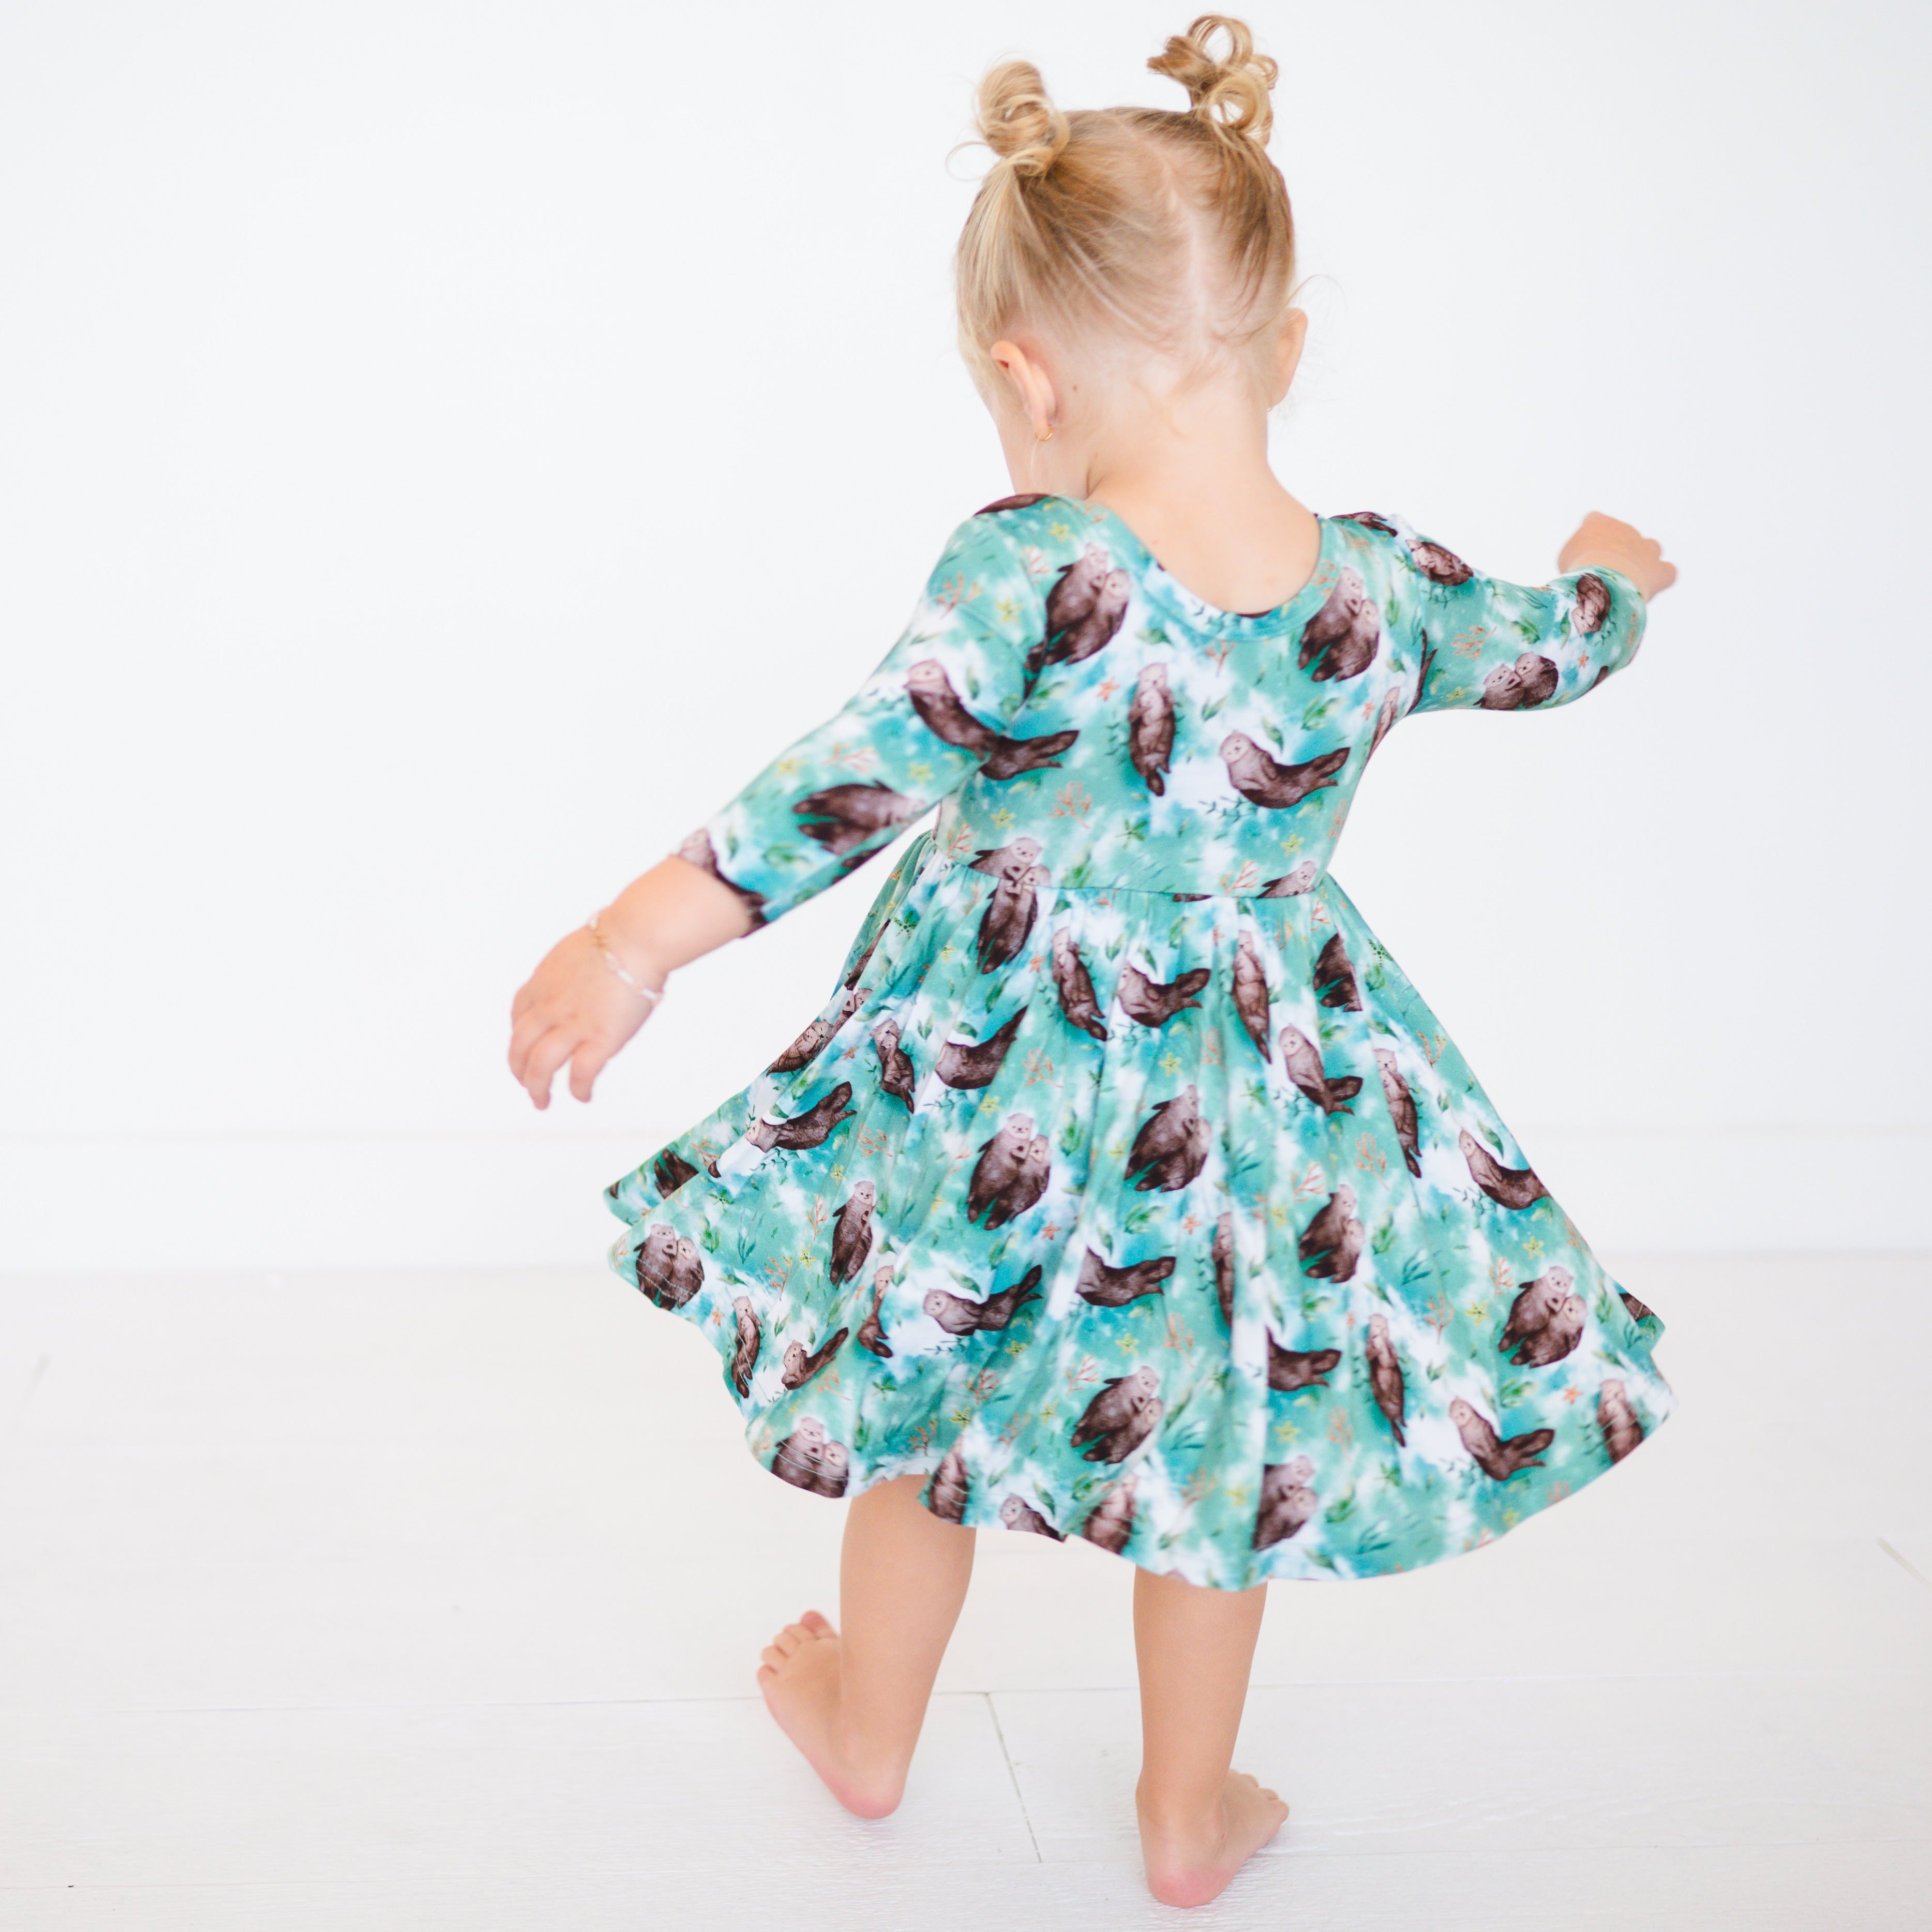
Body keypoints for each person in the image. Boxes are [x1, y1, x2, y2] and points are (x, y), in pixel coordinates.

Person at [508, 16, 1677, 1908]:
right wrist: (1616, 573)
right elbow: (1555, 644)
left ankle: (873, 1729)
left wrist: (628, 946)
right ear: (1287, 347)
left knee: (921, 1375)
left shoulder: (1030, 569)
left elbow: (846, 781)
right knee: (1222, 1426)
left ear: (1023, 378)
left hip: (991, 1063)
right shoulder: (1377, 583)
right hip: (1264, 1081)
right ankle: (1181, 1814)